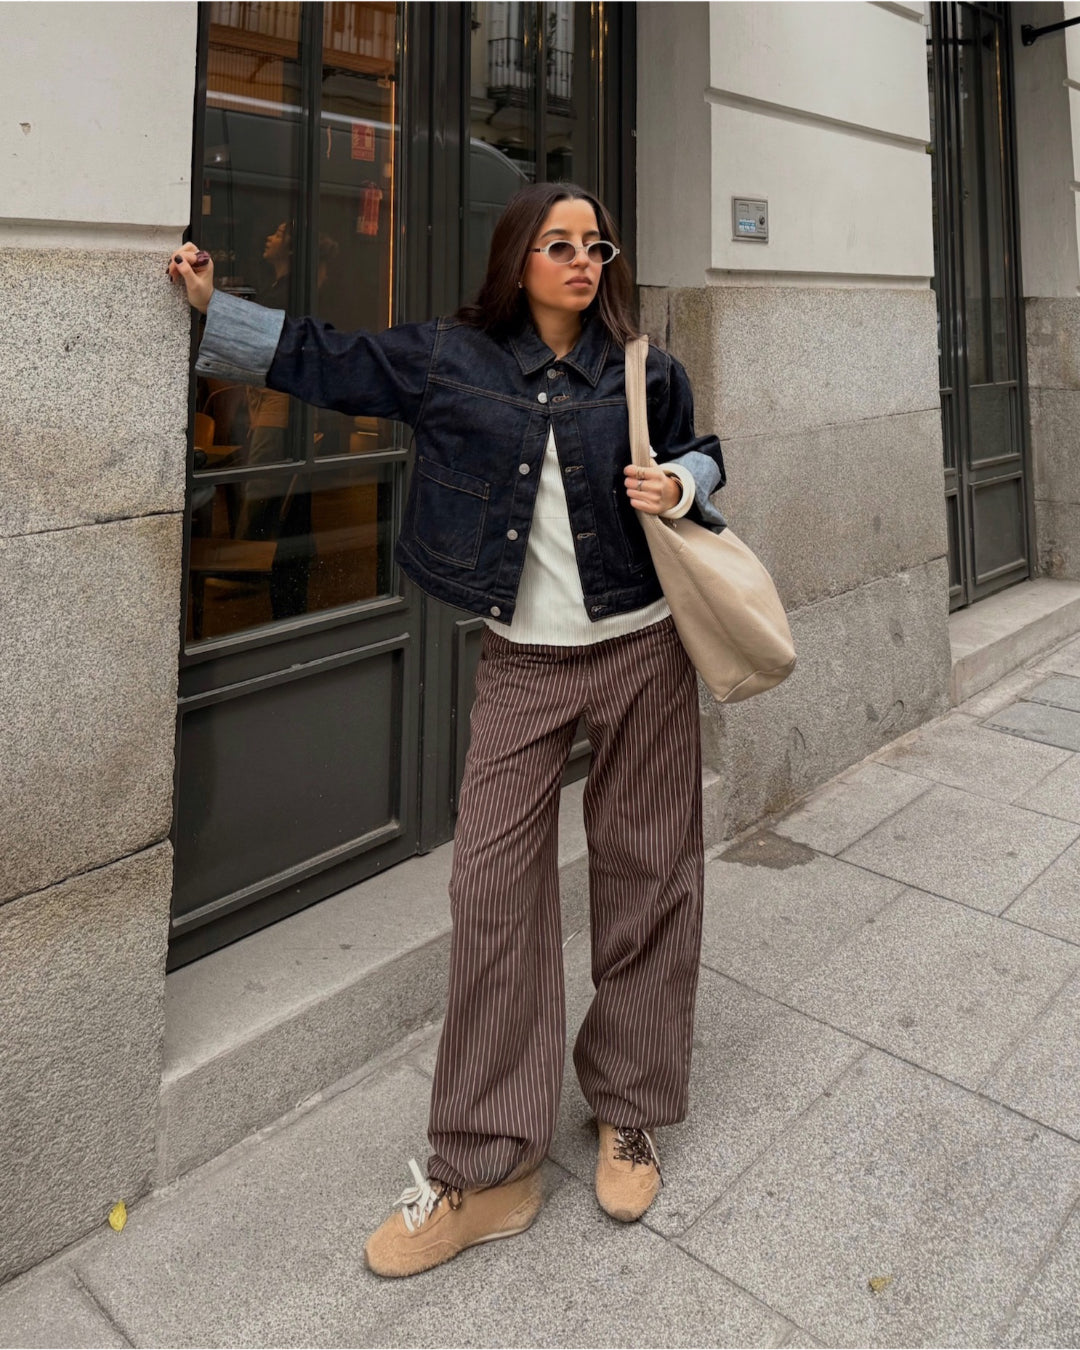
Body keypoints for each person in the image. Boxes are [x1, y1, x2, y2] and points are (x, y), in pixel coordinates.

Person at [169, 181, 726, 1279]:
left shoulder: (643, 366)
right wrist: (212, 310)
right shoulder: (454, 359)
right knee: (492, 898)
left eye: (596, 245)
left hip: (646, 650)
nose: (582, 260)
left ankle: (630, 1106)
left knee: (651, 871)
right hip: (523, 662)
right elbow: (336, 359)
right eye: (559, 244)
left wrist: (682, 480)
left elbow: (708, 448)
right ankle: (487, 1165)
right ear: (518, 258)